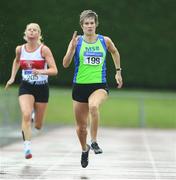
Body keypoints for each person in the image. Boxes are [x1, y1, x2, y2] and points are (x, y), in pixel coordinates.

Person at [63, 10, 123, 168]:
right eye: (86, 23)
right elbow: (65, 64)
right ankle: (85, 149)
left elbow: (115, 52)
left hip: (99, 85)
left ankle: (94, 141)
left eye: (92, 23)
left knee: (94, 106)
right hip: (80, 86)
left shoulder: (105, 41)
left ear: (96, 24)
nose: (89, 26)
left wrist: (118, 72)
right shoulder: (77, 41)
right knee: (81, 128)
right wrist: (71, 49)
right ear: (82, 26)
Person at [5, 23, 58, 159]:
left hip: (42, 87)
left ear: (39, 34)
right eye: (30, 30)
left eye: (35, 30)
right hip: (26, 86)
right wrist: (12, 77)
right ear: (26, 33)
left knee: (38, 126)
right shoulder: (20, 49)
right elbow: (17, 61)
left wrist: (40, 71)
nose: (32, 32)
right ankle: (27, 147)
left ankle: (35, 117)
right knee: (26, 114)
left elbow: (54, 70)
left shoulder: (44, 50)